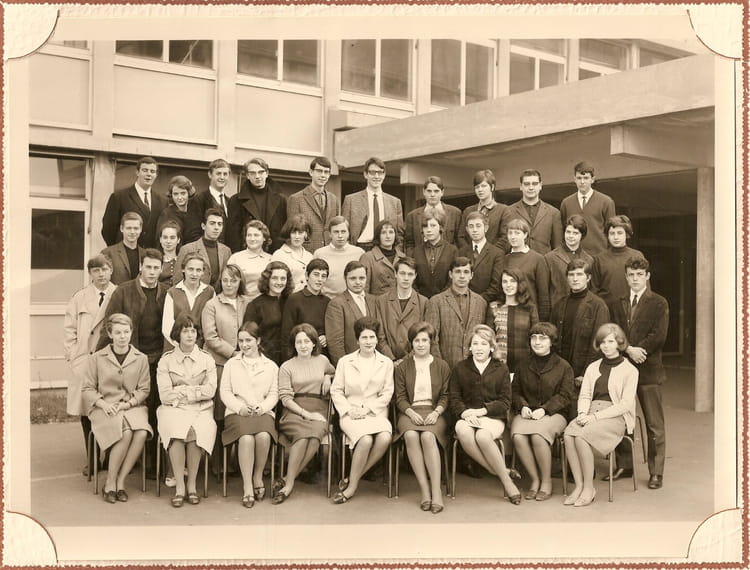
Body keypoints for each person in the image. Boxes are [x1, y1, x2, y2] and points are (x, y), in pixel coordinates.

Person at [97, 248, 168, 478]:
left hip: (157, 359)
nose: (152, 272)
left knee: (155, 411)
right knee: (125, 406)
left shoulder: (167, 293)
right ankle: (115, 459)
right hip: (130, 360)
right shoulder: (124, 291)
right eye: (148, 267)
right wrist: (100, 357)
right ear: (140, 267)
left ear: (161, 269)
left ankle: (153, 464)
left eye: (156, 268)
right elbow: (109, 326)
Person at [606, 256, 669, 490]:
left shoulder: (659, 302)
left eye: (639, 275)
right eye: (631, 275)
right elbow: (614, 331)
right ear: (626, 276)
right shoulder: (617, 303)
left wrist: (638, 350)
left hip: (648, 370)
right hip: (623, 367)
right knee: (621, 417)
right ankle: (625, 465)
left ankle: (656, 472)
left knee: (654, 423)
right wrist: (628, 349)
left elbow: (659, 335)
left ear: (647, 276)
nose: (635, 279)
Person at [563, 323, 638, 506]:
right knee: (569, 433)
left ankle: (589, 488)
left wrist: (594, 417)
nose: (606, 346)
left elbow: (625, 404)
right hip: (590, 412)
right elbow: (585, 395)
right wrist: (582, 413)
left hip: (615, 416)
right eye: (602, 342)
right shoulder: (593, 367)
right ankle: (579, 486)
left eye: (611, 341)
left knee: (582, 436)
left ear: (619, 343)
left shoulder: (630, 370)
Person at [82, 313, 152, 503]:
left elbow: (144, 389)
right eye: (118, 332)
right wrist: (103, 404)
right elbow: (87, 389)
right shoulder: (97, 358)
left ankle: (120, 481)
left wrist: (128, 404)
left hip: (132, 406)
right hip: (105, 407)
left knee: (142, 432)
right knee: (126, 432)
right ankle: (110, 483)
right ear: (110, 334)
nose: (123, 336)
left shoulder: (141, 358)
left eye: (126, 332)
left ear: (131, 332)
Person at [449, 324, 520, 504]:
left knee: (482, 435)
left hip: (492, 417)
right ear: (469, 347)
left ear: (492, 347)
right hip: (467, 416)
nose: (479, 348)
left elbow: (505, 401)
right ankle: (501, 472)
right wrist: (465, 412)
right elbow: (454, 398)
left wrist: (482, 411)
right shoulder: (460, 368)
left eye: (483, 343)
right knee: (463, 431)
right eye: (475, 343)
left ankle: (506, 481)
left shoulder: (501, 368)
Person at [330, 317, 394, 504]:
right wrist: (348, 410)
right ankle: (351, 487)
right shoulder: (345, 361)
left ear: (377, 339)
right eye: (364, 337)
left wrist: (368, 410)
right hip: (351, 412)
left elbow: (387, 393)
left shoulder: (386, 362)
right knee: (365, 440)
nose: (368, 341)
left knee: (385, 437)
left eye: (372, 337)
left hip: (375, 412)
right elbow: (336, 390)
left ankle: (352, 477)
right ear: (357, 340)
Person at [63, 254, 117, 475]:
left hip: (110, 360)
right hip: (84, 361)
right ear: (90, 273)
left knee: (111, 407)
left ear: (111, 270)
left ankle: (111, 456)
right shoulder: (80, 297)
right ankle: (92, 457)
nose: (101, 274)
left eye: (104, 269)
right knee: (87, 410)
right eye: (96, 270)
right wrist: (74, 357)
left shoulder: (118, 293)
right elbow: (69, 330)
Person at [156, 315, 217, 507]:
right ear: (177, 334)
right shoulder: (166, 361)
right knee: (176, 431)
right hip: (173, 408)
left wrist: (182, 390)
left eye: (193, 331)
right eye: (185, 331)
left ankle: (192, 485)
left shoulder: (207, 360)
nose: (190, 335)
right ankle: (180, 487)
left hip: (201, 409)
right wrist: (195, 390)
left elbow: (210, 391)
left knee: (195, 431)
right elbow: (165, 395)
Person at [511, 322, 574, 501]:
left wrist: (545, 409)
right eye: (534, 337)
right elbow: (514, 391)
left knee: (538, 436)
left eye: (543, 338)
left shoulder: (564, 366)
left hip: (555, 413)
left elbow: (565, 396)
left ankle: (546, 482)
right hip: (527, 412)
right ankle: (535, 479)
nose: (537, 342)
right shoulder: (523, 364)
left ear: (552, 342)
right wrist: (522, 405)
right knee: (518, 436)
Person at [273, 324, 336, 504]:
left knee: (315, 436)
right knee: (302, 436)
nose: (303, 346)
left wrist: (327, 376)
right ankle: (289, 484)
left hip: (319, 407)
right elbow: (285, 398)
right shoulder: (286, 366)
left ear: (314, 343)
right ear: (293, 344)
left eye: (307, 341)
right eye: (299, 342)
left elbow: (333, 371)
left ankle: (287, 478)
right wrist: (305, 414)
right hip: (294, 409)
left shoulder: (323, 360)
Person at [219, 321, 279, 508]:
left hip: (262, 411)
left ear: (258, 340)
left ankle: (257, 476)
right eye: (241, 341)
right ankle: (247, 486)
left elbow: (274, 394)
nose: (244, 345)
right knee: (246, 439)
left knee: (263, 436)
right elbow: (225, 392)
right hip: (237, 412)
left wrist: (262, 407)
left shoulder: (271, 366)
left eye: (248, 340)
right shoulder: (231, 364)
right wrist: (240, 408)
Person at [394, 321, 450, 513]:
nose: (420, 344)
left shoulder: (442, 365)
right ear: (411, 343)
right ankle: (424, 491)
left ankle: (436, 491)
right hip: (409, 411)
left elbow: (445, 396)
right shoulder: (402, 367)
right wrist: (410, 412)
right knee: (410, 435)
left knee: (427, 436)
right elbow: (400, 398)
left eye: (424, 340)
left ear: (431, 342)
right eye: (416, 340)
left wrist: (436, 412)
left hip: (434, 411)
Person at [201, 263, 251, 472]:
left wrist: (246, 353)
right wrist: (234, 353)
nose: (229, 284)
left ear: (240, 282)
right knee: (220, 413)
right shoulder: (212, 305)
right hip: (220, 364)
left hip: (244, 364)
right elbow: (211, 337)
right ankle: (218, 464)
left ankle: (239, 461)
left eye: (233, 280)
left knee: (240, 409)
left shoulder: (247, 302)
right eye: (225, 280)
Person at [549, 259, 610, 418]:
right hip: (561, 370)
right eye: (571, 275)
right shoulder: (560, 304)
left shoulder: (598, 305)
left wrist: (586, 373)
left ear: (588, 278)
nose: (575, 279)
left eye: (579, 274)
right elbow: (552, 339)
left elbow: (599, 343)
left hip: (582, 372)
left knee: (578, 415)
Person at [325, 261, 394, 366]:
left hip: (375, 364)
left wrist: (391, 360)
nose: (358, 282)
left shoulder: (373, 300)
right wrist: (345, 367)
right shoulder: (337, 304)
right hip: (352, 364)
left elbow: (380, 336)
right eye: (353, 278)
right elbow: (335, 343)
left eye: (361, 278)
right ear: (345, 278)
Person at [425, 257, 487, 369]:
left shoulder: (481, 302)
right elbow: (432, 339)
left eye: (466, 272)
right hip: (447, 367)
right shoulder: (436, 301)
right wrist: (440, 367)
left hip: (474, 368)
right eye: (458, 272)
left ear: (471, 275)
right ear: (450, 274)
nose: (462, 276)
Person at [375, 257, 432, 363]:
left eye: (410, 274)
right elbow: (380, 335)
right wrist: (391, 360)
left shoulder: (423, 302)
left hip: (414, 361)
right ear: (395, 274)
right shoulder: (381, 301)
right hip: (387, 361)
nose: (406, 278)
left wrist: (406, 360)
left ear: (415, 276)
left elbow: (424, 336)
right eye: (402, 273)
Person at [101, 156, 165, 249]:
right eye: (145, 170)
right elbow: (108, 230)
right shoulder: (119, 197)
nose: (149, 174)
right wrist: (118, 251)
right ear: (137, 172)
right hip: (126, 253)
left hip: (151, 255)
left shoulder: (162, 201)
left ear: (156, 175)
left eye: (152, 171)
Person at [342, 156, 404, 251]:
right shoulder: (351, 200)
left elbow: (399, 234)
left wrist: (397, 252)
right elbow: (343, 230)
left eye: (380, 172)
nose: (376, 176)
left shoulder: (395, 202)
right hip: (360, 249)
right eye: (372, 172)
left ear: (384, 175)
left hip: (386, 249)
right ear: (365, 174)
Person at [228, 157, 287, 253]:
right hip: (247, 253)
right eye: (253, 173)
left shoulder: (281, 200)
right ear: (247, 175)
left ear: (267, 173)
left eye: (261, 172)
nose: (257, 176)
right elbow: (233, 236)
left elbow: (284, 231)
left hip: (274, 253)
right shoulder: (236, 201)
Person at [486, 268, 539, 373]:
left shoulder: (529, 308)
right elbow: (489, 338)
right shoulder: (494, 307)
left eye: (512, 281)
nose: (508, 285)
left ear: (520, 284)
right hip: (498, 365)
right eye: (505, 281)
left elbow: (535, 336)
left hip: (525, 364)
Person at [559, 161, 616, 257]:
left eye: (586, 178)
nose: (582, 182)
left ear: (592, 179)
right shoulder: (566, 203)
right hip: (573, 256)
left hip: (598, 256)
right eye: (579, 178)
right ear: (574, 179)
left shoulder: (606, 202)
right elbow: (562, 232)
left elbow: (612, 232)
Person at [243, 260, 294, 365]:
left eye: (283, 278)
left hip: (291, 358)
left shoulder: (292, 301)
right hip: (265, 359)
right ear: (267, 280)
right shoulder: (255, 305)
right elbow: (249, 336)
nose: (279, 282)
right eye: (274, 278)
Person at [280, 259, 331, 361]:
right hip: (300, 355)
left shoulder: (327, 301)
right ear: (307, 276)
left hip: (322, 356)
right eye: (316, 275)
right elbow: (286, 334)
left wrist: (326, 337)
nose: (320, 279)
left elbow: (331, 329)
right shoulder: (294, 299)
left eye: (323, 276)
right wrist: (289, 360)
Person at [286, 156, 340, 253]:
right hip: (306, 252)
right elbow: (293, 231)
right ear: (311, 172)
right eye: (319, 171)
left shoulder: (334, 199)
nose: (323, 175)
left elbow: (337, 227)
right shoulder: (296, 199)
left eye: (326, 172)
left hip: (330, 251)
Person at [161, 253, 215, 349]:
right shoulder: (172, 292)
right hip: (176, 348)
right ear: (183, 269)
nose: (194, 274)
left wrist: (197, 349)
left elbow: (212, 325)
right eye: (190, 269)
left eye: (198, 270)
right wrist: (184, 347)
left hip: (201, 349)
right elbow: (167, 328)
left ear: (203, 272)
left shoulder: (210, 292)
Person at [504, 169, 562, 255]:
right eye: (527, 184)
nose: (531, 187)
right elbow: (505, 243)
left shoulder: (553, 213)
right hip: (517, 261)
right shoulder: (509, 211)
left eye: (534, 184)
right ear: (521, 186)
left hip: (545, 261)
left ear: (540, 185)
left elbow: (558, 247)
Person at [504, 218, 551, 320]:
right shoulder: (504, 259)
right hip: (508, 315)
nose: (513, 237)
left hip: (530, 315)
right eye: (510, 233)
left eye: (517, 233)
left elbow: (543, 295)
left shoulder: (537, 259)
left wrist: (542, 321)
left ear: (525, 235)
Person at [591, 215, 644, 305]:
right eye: (612, 233)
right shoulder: (599, 259)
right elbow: (594, 291)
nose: (616, 237)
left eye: (619, 233)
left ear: (626, 234)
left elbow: (644, 287)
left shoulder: (637, 256)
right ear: (607, 235)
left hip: (631, 308)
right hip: (606, 309)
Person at [175, 208, 232, 292]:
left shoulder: (226, 251)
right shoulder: (187, 249)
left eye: (219, 224)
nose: (216, 227)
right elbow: (177, 280)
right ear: (203, 226)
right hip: (193, 296)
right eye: (212, 223)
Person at [544, 214, 594, 308]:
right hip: (557, 309)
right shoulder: (550, 258)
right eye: (568, 232)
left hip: (581, 309)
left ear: (582, 235)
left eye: (575, 233)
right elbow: (544, 290)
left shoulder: (589, 260)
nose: (571, 236)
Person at [404, 176, 462, 255]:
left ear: (442, 192)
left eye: (436, 191)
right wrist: (415, 258)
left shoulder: (455, 213)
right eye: (429, 191)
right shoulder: (412, 216)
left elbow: (459, 241)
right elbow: (409, 243)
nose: (432, 194)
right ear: (424, 192)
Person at [457, 169, 510, 251]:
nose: (480, 190)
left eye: (483, 186)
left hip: (495, 256)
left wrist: (489, 254)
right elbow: (461, 237)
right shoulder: (468, 211)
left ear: (492, 187)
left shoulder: (504, 210)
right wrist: (470, 252)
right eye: (477, 187)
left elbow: (505, 238)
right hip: (471, 256)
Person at [313, 216, 365, 298]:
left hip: (352, 300)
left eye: (343, 231)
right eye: (336, 232)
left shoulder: (359, 253)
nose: (340, 235)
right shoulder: (319, 254)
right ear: (330, 234)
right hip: (327, 300)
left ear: (348, 233)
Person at [457, 211, 504, 302]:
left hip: (486, 302)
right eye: (471, 226)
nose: (474, 230)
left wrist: (477, 301)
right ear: (467, 229)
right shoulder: (461, 252)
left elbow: (496, 285)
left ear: (485, 228)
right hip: (463, 301)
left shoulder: (497, 254)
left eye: (478, 226)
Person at [413, 210, 458, 298]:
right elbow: (412, 277)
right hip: (421, 299)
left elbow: (454, 277)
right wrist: (420, 297)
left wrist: (441, 297)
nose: (429, 230)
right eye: (425, 226)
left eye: (433, 225)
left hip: (445, 299)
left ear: (441, 227)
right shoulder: (416, 251)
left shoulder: (452, 250)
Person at [227, 220, 273, 302]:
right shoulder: (235, 258)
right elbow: (228, 284)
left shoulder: (271, 259)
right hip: (241, 303)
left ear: (264, 238)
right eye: (249, 235)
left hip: (265, 304)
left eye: (256, 235)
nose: (252, 239)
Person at [155, 175, 203, 245]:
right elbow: (160, 239)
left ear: (188, 193)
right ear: (171, 195)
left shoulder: (195, 211)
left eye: (183, 193)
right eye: (176, 194)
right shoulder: (166, 214)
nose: (179, 197)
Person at [360, 219, 404, 295]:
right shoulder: (367, 258)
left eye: (391, 232)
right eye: (383, 233)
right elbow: (364, 289)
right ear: (378, 236)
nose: (388, 236)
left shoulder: (402, 257)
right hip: (377, 301)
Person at [272, 214, 314, 293]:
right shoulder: (279, 255)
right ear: (288, 234)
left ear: (306, 234)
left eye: (300, 233)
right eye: (294, 233)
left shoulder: (309, 256)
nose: (297, 237)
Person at [193, 159, 232, 244]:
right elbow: (193, 232)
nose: (222, 177)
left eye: (225, 174)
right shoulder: (198, 199)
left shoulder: (231, 202)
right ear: (210, 175)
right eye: (218, 173)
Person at [101, 212, 144, 285]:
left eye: (136, 228)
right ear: (121, 228)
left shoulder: (145, 254)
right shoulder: (108, 253)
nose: (132, 232)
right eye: (129, 228)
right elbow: (99, 282)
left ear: (141, 229)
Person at [157, 221, 182, 287]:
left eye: (172, 238)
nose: (168, 241)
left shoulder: (183, 260)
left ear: (178, 240)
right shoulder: (155, 260)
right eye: (165, 237)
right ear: (160, 239)